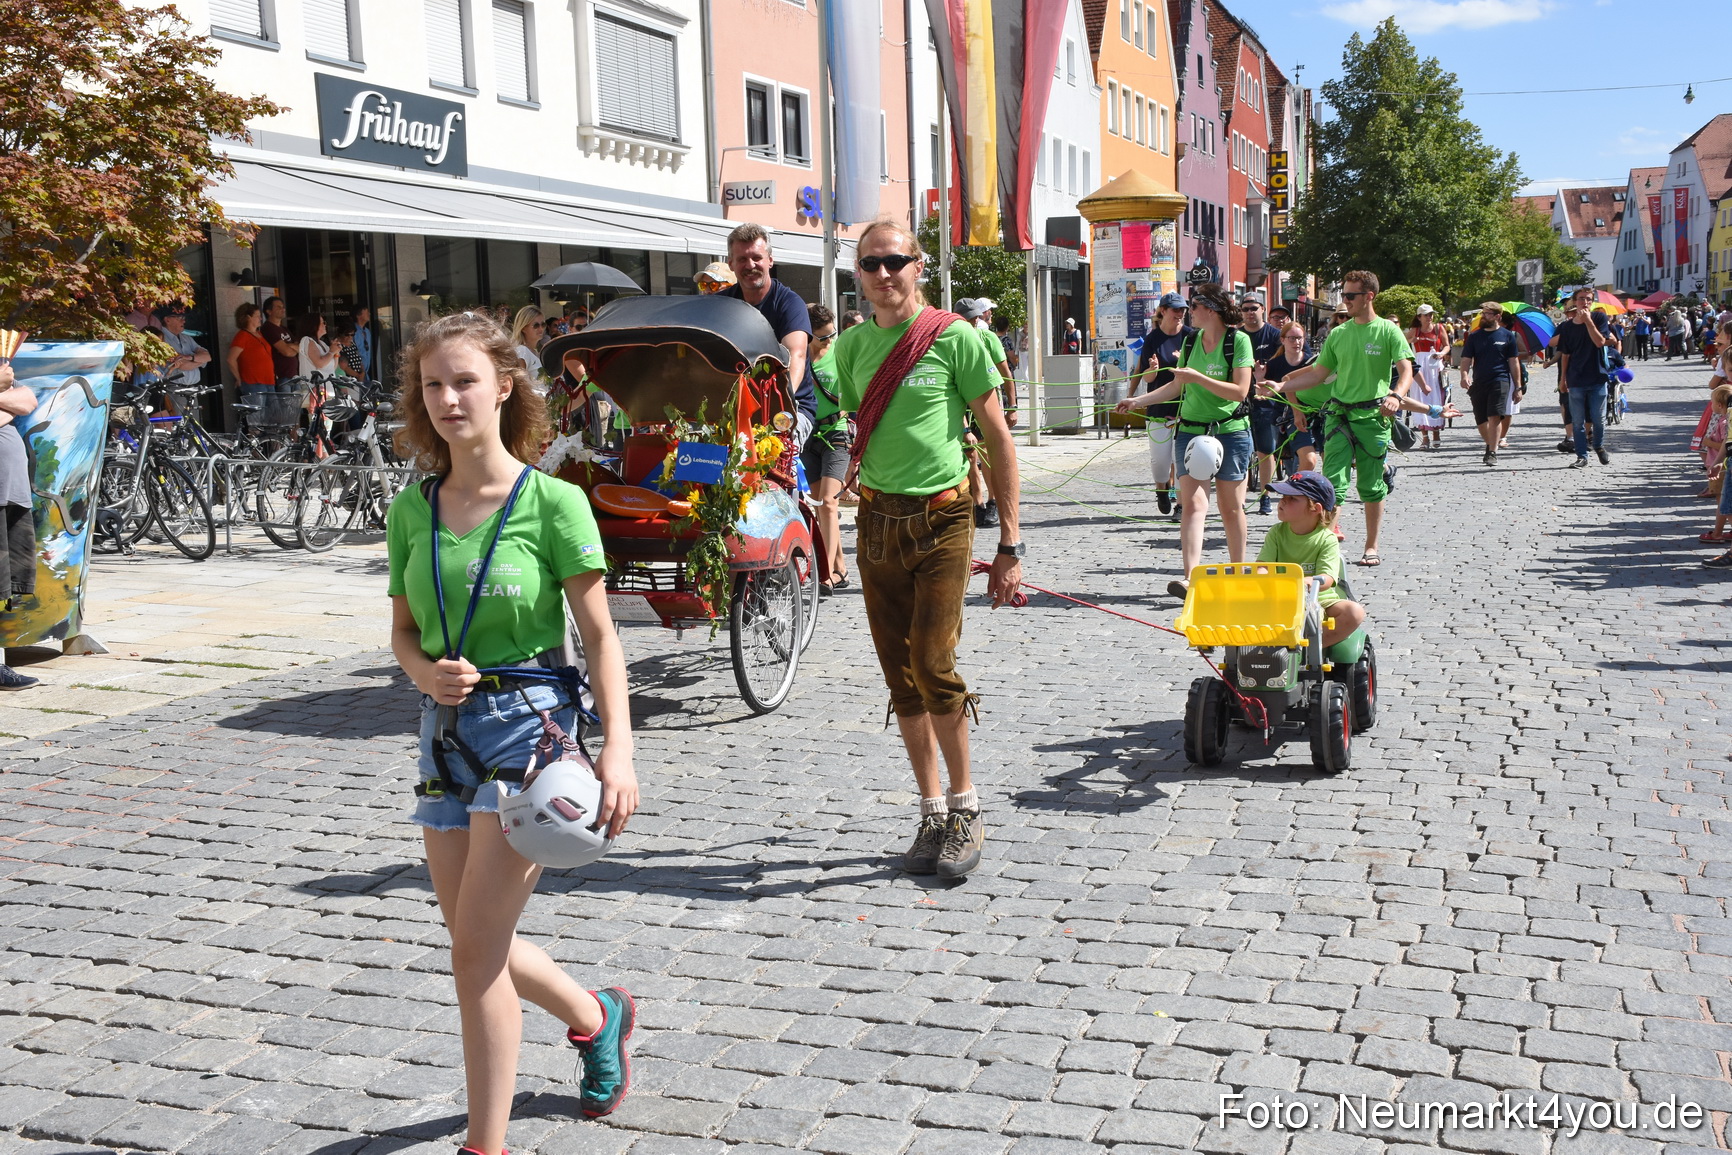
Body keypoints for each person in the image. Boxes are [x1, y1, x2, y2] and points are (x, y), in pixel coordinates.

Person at [386, 312, 639, 1155]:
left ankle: (483, 1146)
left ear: (504, 386)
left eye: (465, 380)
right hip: (441, 732)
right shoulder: (410, 508)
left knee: (474, 959)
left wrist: (619, 749)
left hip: (527, 736)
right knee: (470, 938)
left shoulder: (553, 502)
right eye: (434, 384)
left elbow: (601, 636)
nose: (449, 397)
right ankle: (596, 1014)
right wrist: (424, 673)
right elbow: (402, 634)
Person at [831, 218, 1021, 879]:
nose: (883, 274)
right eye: (870, 264)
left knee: (933, 662)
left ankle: (967, 807)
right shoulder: (852, 347)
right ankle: (932, 810)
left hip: (944, 520)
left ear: (919, 266)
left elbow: (997, 438)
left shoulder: (956, 337)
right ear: (858, 274)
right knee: (900, 677)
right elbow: (832, 411)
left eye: (895, 262)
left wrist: (1011, 543)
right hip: (878, 524)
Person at [1118, 283, 1253, 599]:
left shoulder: (1238, 341)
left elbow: (1240, 392)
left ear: (1211, 309)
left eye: (1194, 306)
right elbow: (1176, 387)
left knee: (1231, 507)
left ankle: (1238, 573)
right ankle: (1190, 579)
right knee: (1192, 505)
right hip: (1191, 430)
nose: (1189, 312)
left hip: (1230, 430)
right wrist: (1138, 401)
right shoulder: (1191, 342)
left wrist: (1198, 378)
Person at [1274, 270, 1414, 568]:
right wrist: (1281, 386)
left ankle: (1371, 545)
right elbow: (1317, 374)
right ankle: (1324, 548)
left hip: (1373, 417)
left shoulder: (1388, 331)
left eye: (1351, 296)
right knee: (1332, 483)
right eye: (1345, 295)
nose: (1346, 301)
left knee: (1371, 485)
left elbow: (1405, 370)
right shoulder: (1338, 334)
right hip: (1338, 415)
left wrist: (1396, 396)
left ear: (1369, 296)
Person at [720, 223, 817, 445]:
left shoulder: (789, 304)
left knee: (775, 456)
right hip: (734, 408)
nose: (750, 265)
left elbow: (796, 355)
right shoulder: (720, 304)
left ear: (770, 261)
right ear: (731, 264)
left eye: (757, 257)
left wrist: (780, 403)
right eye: (742, 259)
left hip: (789, 407)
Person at [1257, 471, 1365, 648]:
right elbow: (1263, 566)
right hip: (1280, 597)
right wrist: (1261, 576)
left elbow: (1328, 578)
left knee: (1354, 612)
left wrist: (1303, 582)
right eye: (1283, 496)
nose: (1282, 501)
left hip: (1319, 598)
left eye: (1292, 499)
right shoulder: (1276, 533)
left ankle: (1311, 647)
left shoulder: (1326, 539)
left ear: (1315, 508)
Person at [1113, 292, 1193, 518]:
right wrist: (1152, 369)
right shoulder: (1152, 339)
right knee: (1160, 461)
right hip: (1158, 407)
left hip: (1186, 408)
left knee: (1181, 459)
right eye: (1176, 309)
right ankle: (1161, 489)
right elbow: (1146, 378)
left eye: (1183, 310)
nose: (1180, 314)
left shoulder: (1191, 337)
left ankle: (1181, 504)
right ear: (1163, 311)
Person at [802, 303, 850, 594]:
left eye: (833, 333)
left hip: (837, 434)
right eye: (823, 336)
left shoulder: (840, 354)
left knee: (829, 503)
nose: (830, 340)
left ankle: (825, 573)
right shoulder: (797, 358)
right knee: (819, 506)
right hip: (808, 437)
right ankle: (840, 568)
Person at [0, 358, 39, 690]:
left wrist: (8, 404)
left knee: (3, 583)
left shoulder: (3, 365)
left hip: (10, 491)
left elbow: (27, 401)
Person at [955, 298, 1010, 528]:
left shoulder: (988, 339)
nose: (975, 321)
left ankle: (993, 502)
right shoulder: (953, 340)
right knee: (970, 456)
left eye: (976, 317)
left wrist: (1012, 406)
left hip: (986, 401)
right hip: (963, 404)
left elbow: (1005, 373)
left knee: (987, 456)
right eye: (971, 318)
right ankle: (977, 504)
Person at [1238, 293, 1285, 513]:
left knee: (1266, 451)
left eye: (1253, 308)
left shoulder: (1275, 335)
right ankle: (1240, 498)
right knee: (1241, 450)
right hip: (1240, 399)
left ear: (1262, 309)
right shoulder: (1236, 336)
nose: (1249, 313)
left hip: (1268, 401)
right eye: (1245, 309)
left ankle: (1265, 495)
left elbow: (1286, 364)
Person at [1460, 303, 1522, 467]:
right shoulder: (1474, 336)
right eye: (1483, 313)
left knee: (1495, 415)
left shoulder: (1507, 336)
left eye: (1487, 314)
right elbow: (1466, 359)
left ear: (1497, 317)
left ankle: (1492, 451)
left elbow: (1514, 362)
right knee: (1481, 420)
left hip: (1500, 380)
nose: (1483, 316)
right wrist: (1464, 375)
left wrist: (1518, 386)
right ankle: (1490, 444)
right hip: (1479, 381)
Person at [1554, 289, 1612, 468]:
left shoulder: (1599, 318)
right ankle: (1582, 456)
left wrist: (1588, 322)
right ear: (1574, 301)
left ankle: (1598, 445)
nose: (1585, 302)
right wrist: (1562, 379)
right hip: (1576, 378)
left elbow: (1600, 342)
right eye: (1581, 299)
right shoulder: (1566, 327)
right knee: (1577, 421)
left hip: (1597, 376)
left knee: (1598, 419)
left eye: (1588, 299)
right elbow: (1565, 354)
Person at [1261, 320, 1322, 475]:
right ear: (1283, 340)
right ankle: (1292, 489)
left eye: (1300, 338)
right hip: (1283, 416)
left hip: (1314, 413)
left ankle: (1303, 491)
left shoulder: (1311, 362)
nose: (1297, 342)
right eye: (1292, 338)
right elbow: (1263, 388)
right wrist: (1259, 378)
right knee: (1291, 463)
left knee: (1310, 460)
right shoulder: (1274, 364)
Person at [1407, 304, 1448, 450]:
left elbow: (1446, 345)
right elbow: (1404, 342)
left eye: (1431, 314)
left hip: (1434, 364)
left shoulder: (1438, 328)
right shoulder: (1415, 330)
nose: (1429, 317)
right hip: (1420, 364)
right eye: (1426, 315)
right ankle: (1425, 437)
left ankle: (1436, 433)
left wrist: (1442, 354)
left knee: (1436, 396)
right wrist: (1413, 340)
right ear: (1419, 317)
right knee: (1419, 398)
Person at [153, 304, 211, 402]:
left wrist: (189, 358)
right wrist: (199, 360)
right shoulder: (161, 339)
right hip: (174, 390)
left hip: (193, 390)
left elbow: (208, 357)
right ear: (167, 320)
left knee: (193, 418)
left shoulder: (186, 338)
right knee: (179, 418)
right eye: (180, 318)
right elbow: (182, 365)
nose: (183, 321)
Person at [225, 302, 277, 398]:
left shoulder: (259, 334)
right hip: (254, 383)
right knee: (257, 412)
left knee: (273, 412)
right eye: (257, 316)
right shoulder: (242, 336)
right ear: (248, 317)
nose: (260, 318)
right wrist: (238, 379)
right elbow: (231, 359)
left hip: (269, 381)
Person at [260, 296, 300, 386]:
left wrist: (290, 346)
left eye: (282, 307)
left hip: (294, 375)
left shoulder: (284, 328)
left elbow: (300, 347)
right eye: (278, 307)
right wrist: (291, 347)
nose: (283, 309)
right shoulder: (268, 328)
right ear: (269, 311)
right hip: (282, 376)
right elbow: (287, 352)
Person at [508, 306, 545, 381]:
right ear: (523, 328)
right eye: (536, 325)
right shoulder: (522, 351)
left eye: (543, 324)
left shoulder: (537, 353)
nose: (541, 328)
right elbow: (519, 384)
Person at [351, 305, 373, 380]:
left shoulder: (367, 332)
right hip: (355, 373)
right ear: (358, 315)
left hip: (366, 374)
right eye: (366, 312)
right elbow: (353, 351)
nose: (369, 314)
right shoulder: (352, 332)